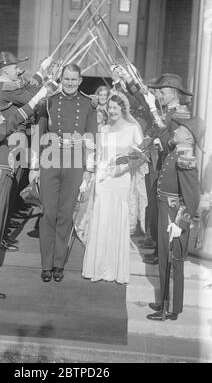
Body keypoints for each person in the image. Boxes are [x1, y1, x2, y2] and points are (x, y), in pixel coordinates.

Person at [0, 85, 49, 303]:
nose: (1, 117)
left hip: (2, 184)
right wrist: (34, 102)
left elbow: (15, 128)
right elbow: (13, 121)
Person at [30, 63, 97, 283]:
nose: (69, 83)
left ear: (80, 81)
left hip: (75, 163)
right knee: (48, 212)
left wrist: (88, 170)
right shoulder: (49, 101)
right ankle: (46, 265)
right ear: (61, 79)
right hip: (50, 162)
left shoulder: (88, 104)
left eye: (73, 80)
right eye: (66, 79)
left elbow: (91, 139)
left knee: (66, 214)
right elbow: (38, 135)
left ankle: (59, 264)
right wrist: (34, 167)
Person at [81, 91, 148, 283]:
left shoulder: (133, 129)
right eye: (109, 107)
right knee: (101, 218)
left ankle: (114, 269)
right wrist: (93, 173)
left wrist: (123, 168)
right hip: (104, 179)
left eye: (115, 108)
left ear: (123, 109)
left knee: (118, 217)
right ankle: (98, 267)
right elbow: (99, 155)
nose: (111, 111)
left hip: (122, 179)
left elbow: (141, 158)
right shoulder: (103, 129)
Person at [147, 116, 205, 321]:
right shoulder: (176, 151)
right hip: (166, 210)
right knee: (164, 259)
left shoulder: (185, 155)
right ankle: (165, 299)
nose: (175, 130)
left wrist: (181, 222)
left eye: (180, 129)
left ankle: (169, 308)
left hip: (174, 216)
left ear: (188, 137)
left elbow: (192, 197)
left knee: (172, 261)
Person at [142, 73, 192, 264]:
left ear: (174, 94)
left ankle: (164, 252)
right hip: (160, 165)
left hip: (171, 169)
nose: (159, 95)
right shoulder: (167, 112)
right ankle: (158, 248)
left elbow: (180, 140)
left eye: (162, 91)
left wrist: (160, 142)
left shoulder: (181, 112)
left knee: (166, 212)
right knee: (157, 209)